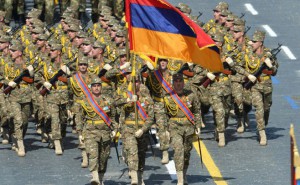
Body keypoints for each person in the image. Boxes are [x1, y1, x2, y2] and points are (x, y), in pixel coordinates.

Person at [243, 30, 279, 145]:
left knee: (266, 108)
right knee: (258, 108)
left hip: (267, 86)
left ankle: (263, 124)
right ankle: (262, 132)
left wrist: (271, 66)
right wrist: (248, 75)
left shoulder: (268, 54)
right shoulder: (248, 54)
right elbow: (239, 67)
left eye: (254, 41)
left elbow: (274, 72)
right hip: (254, 86)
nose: (251, 43)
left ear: (260, 42)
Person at [165, 73, 201, 185]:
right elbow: (164, 115)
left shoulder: (191, 95)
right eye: (176, 81)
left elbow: (197, 111)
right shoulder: (167, 97)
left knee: (186, 153)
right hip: (174, 127)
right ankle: (180, 179)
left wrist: (198, 125)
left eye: (180, 81)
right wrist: (165, 130)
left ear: (183, 82)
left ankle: (184, 174)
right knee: (178, 151)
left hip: (188, 127)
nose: (178, 83)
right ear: (173, 83)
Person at [80, 76, 117, 185]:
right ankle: (95, 177)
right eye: (94, 86)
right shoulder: (85, 101)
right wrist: (79, 133)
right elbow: (80, 118)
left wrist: (115, 129)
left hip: (105, 133)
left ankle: (100, 179)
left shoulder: (108, 100)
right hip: (90, 131)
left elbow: (113, 116)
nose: (96, 88)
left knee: (103, 158)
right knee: (93, 154)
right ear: (90, 88)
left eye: (98, 86)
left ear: (101, 87)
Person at [118, 75, 154, 185]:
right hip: (128, 130)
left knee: (141, 155)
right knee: (133, 153)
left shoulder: (147, 99)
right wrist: (127, 100)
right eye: (132, 82)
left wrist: (143, 130)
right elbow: (114, 103)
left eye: (137, 81)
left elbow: (151, 117)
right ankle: (134, 179)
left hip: (142, 131)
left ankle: (140, 177)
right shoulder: (124, 96)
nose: (135, 84)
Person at [4, 40, 35, 157]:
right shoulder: (7, 64)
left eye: (13, 50)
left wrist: (31, 74)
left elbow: (32, 81)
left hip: (26, 97)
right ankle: (20, 144)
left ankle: (17, 136)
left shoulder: (28, 64)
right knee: (18, 120)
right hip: (13, 97)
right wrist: (9, 82)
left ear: (20, 52)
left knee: (25, 121)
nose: (10, 52)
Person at [145, 58, 171, 164]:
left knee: (172, 128)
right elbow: (147, 90)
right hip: (159, 104)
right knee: (161, 128)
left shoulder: (173, 74)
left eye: (164, 61)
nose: (163, 63)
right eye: (160, 61)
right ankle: (165, 152)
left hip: (172, 104)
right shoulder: (152, 75)